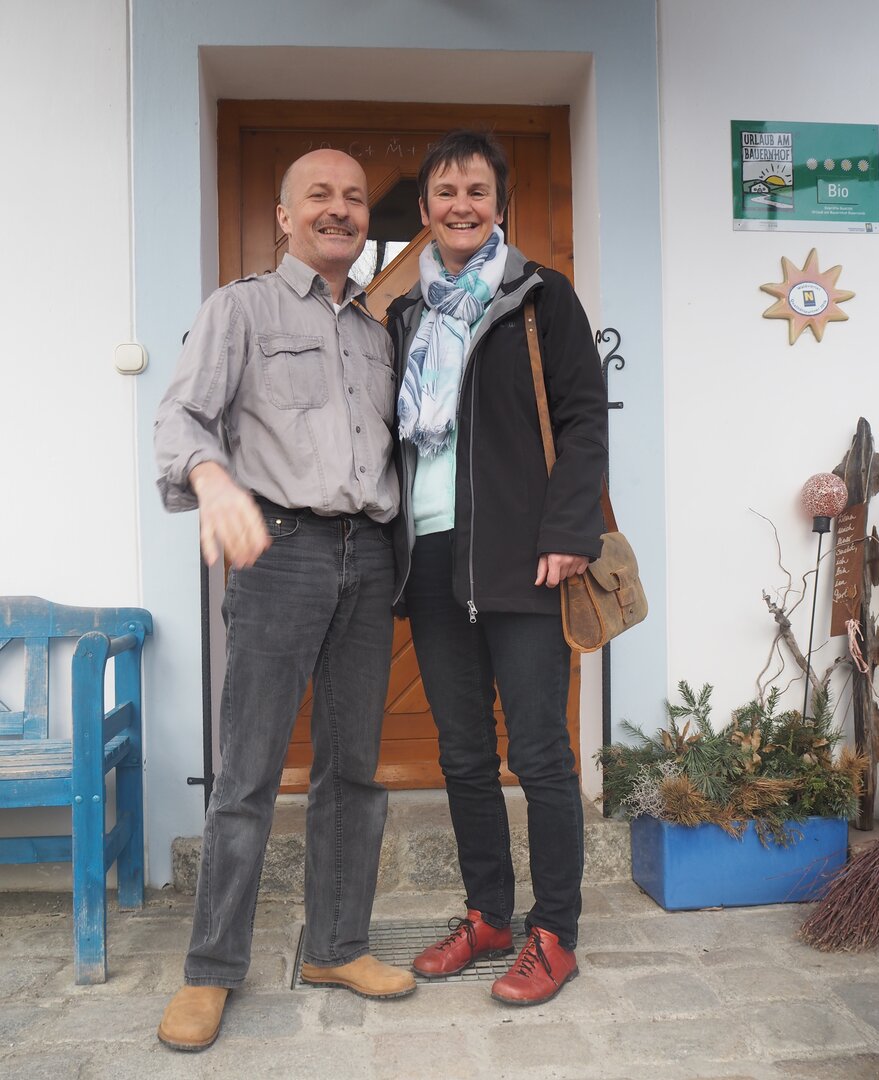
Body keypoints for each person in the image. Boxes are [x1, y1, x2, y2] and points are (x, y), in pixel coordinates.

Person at [153, 149, 415, 1052]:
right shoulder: (240, 308)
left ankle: (337, 945)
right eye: (321, 196)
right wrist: (214, 485)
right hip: (280, 552)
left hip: (368, 557)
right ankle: (211, 970)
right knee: (248, 773)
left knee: (353, 770)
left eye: (353, 198)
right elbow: (181, 418)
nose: (339, 210)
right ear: (283, 215)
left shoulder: (379, 331)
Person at [387, 130, 608, 1006]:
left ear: (500, 203)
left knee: (543, 754)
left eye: (477, 190)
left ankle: (556, 932)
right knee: (464, 755)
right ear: (427, 209)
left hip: (527, 559)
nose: (461, 205)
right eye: (446, 192)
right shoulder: (406, 313)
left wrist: (569, 530)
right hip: (434, 557)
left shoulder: (540, 297)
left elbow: (584, 418)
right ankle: (488, 915)